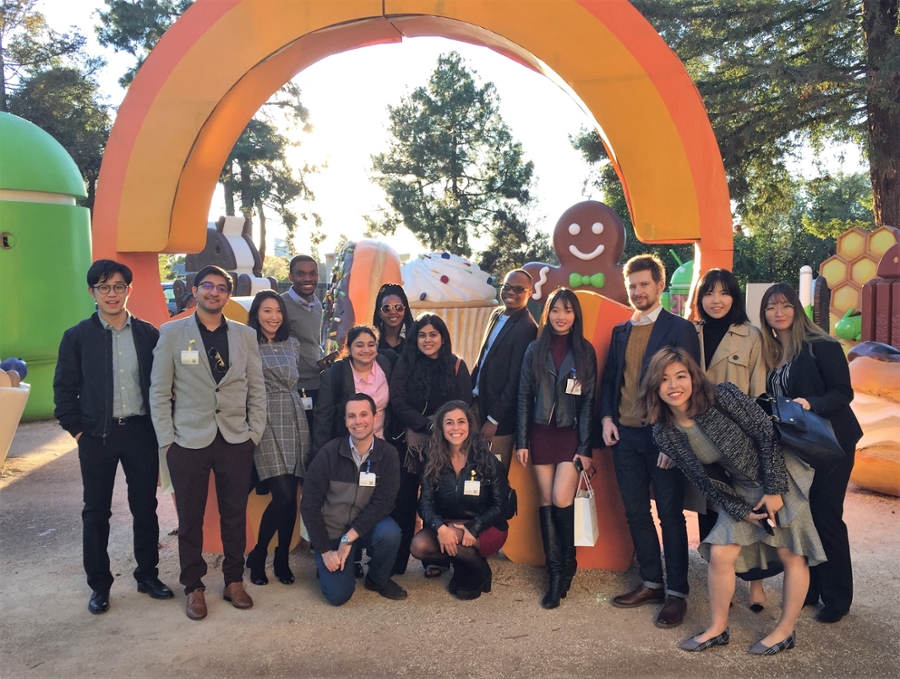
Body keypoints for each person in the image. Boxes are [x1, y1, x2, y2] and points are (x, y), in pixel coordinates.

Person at [640, 347, 825, 655]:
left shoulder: (721, 396)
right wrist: (741, 511)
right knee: (721, 556)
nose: (674, 385)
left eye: (681, 376)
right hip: (739, 490)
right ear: (654, 386)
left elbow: (767, 434)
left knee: (791, 552)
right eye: (664, 379)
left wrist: (774, 489)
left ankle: (785, 630)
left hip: (777, 474)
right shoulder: (664, 433)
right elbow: (702, 480)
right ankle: (717, 628)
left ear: (693, 377)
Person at [53, 259, 173, 614]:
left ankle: (147, 575)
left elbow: (162, 385)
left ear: (129, 291)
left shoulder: (149, 334)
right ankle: (100, 585)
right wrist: (78, 430)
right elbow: (63, 390)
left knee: (145, 508)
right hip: (96, 437)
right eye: (103, 287)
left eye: (118, 286)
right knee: (96, 512)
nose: (111, 293)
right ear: (92, 292)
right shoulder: (77, 336)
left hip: (140, 434)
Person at [149, 265, 267, 620]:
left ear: (228, 295)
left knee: (234, 514)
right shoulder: (171, 333)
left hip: (235, 439)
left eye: (220, 288)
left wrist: (253, 434)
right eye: (207, 286)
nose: (213, 292)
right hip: (187, 441)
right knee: (190, 519)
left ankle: (234, 581)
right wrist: (167, 441)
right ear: (196, 290)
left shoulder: (245, 335)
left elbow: (256, 389)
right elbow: (158, 391)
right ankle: (194, 586)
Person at [599, 254, 700, 628]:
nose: (638, 292)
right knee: (636, 513)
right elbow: (611, 378)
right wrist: (607, 418)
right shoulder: (621, 331)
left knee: (670, 516)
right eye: (632, 286)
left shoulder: (680, 328)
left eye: (644, 284)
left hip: (663, 436)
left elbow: (689, 387)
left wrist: (674, 440)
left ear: (660, 286)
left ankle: (677, 594)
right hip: (624, 437)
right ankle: (651, 583)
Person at [760, 283, 862, 624]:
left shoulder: (822, 345)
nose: (779, 313)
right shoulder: (775, 351)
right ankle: (813, 588)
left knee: (826, 515)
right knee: (806, 517)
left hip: (832, 443)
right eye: (771, 308)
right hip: (800, 447)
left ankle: (838, 597)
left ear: (797, 309)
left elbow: (843, 392)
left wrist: (811, 404)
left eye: (785, 305)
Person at [691, 268, 773, 611]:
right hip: (697, 435)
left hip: (738, 437)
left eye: (724, 293)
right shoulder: (689, 332)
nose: (716, 300)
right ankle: (719, 579)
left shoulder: (751, 336)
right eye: (709, 293)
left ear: (734, 298)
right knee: (710, 503)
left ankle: (755, 584)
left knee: (748, 509)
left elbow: (759, 391)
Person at [516, 287, 596, 609]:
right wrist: (522, 441)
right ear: (547, 314)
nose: (561, 317)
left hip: (569, 435)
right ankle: (554, 575)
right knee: (547, 500)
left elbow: (590, 401)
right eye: (556, 310)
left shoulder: (585, 351)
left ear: (575, 316)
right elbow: (523, 396)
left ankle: (568, 562)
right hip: (539, 433)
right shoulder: (534, 349)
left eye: (568, 311)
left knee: (563, 498)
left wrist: (586, 446)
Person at [300, 393, 407, 605]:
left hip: (364, 528)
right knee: (338, 596)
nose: (358, 421)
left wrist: (348, 539)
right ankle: (334, 565)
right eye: (351, 416)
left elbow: (384, 502)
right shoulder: (329, 454)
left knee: (390, 533)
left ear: (375, 417)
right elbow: (309, 505)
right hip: (331, 532)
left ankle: (377, 579)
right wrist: (325, 551)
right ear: (345, 421)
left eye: (364, 414)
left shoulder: (388, 454)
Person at [390, 313, 473, 577]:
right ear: (414, 338)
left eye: (433, 334)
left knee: (438, 500)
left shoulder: (456, 365)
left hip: (448, 444)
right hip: (411, 445)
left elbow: (464, 405)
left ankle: (435, 559)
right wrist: (428, 427)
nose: (427, 340)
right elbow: (398, 402)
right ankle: (398, 560)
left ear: (443, 337)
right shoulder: (405, 365)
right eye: (422, 335)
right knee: (404, 500)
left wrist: (442, 429)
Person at [244, 290, 310, 587]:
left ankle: (282, 557)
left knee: (291, 495)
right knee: (281, 494)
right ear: (256, 314)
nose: (273, 317)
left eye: (278, 311)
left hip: (294, 416)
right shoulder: (246, 344)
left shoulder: (292, 344)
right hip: (264, 417)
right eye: (266, 311)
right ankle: (259, 554)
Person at [412, 400, 510, 600]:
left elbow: (501, 506)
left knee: (454, 539)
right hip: (449, 526)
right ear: (441, 428)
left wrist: (475, 526)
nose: (455, 428)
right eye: (449, 422)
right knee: (418, 546)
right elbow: (424, 503)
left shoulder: (487, 460)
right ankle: (463, 564)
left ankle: (480, 571)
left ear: (470, 426)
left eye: (461, 422)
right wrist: (440, 527)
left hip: (487, 527)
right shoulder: (434, 462)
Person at [471, 269, 538, 471]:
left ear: (530, 292)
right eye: (507, 287)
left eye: (518, 289)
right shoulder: (497, 314)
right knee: (471, 473)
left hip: (498, 420)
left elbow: (517, 380)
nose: (510, 292)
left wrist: (494, 419)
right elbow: (483, 358)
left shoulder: (527, 328)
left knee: (493, 477)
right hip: (476, 405)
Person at [311, 325, 397, 458]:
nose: (366, 350)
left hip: (382, 446)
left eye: (371, 344)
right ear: (349, 348)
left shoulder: (387, 365)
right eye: (359, 345)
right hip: (346, 450)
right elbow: (323, 419)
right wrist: (320, 456)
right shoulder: (334, 376)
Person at [281, 254, 323, 429]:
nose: (307, 278)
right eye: (301, 274)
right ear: (291, 276)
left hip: (317, 382)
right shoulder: (280, 306)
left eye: (312, 273)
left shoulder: (317, 304)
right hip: (293, 387)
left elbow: (313, 342)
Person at [372, 283, 415, 352]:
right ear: (380, 313)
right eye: (386, 308)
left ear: (405, 310)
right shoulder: (372, 343)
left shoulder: (415, 341)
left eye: (398, 307)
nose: (393, 312)